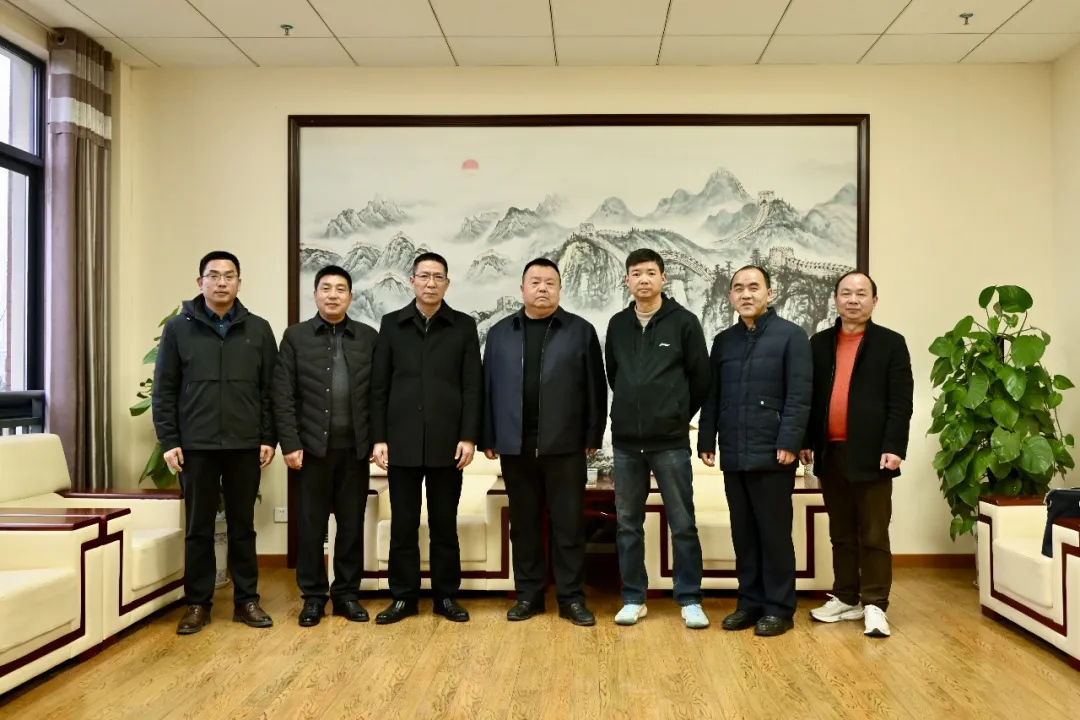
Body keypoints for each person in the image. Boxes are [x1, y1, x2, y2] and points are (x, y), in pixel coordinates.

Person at [153, 251, 277, 634]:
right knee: (199, 528)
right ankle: (197, 604)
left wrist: (268, 436)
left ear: (239, 282)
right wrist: (169, 440)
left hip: (244, 444)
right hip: (196, 445)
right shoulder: (178, 329)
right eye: (214, 275)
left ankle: (246, 601)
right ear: (200, 282)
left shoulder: (258, 329)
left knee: (243, 526)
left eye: (229, 276)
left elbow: (270, 390)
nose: (222, 282)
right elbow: (164, 390)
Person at [482, 258, 607, 627]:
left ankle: (571, 599)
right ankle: (529, 596)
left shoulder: (580, 330)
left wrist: (593, 433)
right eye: (535, 281)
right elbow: (487, 387)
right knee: (524, 526)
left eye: (550, 282)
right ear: (522, 288)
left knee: (568, 525)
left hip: (565, 445)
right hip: (514, 445)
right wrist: (489, 435)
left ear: (559, 289)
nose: (542, 288)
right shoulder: (501, 332)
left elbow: (596, 387)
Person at [698, 265, 812, 637]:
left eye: (753, 287)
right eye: (738, 288)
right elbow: (713, 395)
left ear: (769, 293)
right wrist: (706, 440)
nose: (746, 294)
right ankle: (749, 603)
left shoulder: (791, 336)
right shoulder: (724, 341)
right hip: (734, 451)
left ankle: (778, 609)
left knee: (774, 534)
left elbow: (799, 395)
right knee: (744, 534)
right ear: (731, 296)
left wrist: (789, 442)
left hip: (774, 453)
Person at [370, 252, 483, 625]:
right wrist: (379, 438)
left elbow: (472, 385)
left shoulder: (462, 326)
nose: (431, 283)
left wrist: (469, 437)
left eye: (438, 277)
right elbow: (379, 386)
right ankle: (403, 598)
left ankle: (446, 596)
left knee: (443, 525)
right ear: (412, 281)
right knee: (403, 526)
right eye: (424, 276)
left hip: (447, 444)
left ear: (447, 283)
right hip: (400, 442)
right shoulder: (392, 324)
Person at [800, 271, 913, 638]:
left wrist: (894, 446)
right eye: (846, 293)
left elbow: (901, 402)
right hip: (830, 452)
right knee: (841, 532)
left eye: (861, 294)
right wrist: (806, 440)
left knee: (874, 533)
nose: (853, 300)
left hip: (874, 454)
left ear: (874, 301)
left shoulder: (891, 343)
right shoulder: (819, 344)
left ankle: (875, 604)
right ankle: (846, 597)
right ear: (835, 300)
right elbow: (810, 399)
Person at [604, 249, 711, 629]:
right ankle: (634, 598)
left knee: (682, 523)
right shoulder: (618, 324)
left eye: (651, 272)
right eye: (636, 273)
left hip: (670, 442)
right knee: (627, 525)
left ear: (663, 278)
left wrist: (676, 414)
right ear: (627, 281)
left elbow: (701, 378)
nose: (644, 279)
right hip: (626, 443)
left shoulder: (683, 322)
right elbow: (614, 374)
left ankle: (690, 598)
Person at [272, 265, 378, 627]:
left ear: (351, 296)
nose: (333, 295)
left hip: (355, 450)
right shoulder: (296, 337)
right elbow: (282, 394)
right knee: (311, 527)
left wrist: (378, 441)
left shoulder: (368, 337)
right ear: (315, 294)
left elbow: (378, 394)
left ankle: (346, 595)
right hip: (311, 450)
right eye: (326, 288)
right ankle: (313, 598)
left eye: (340, 289)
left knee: (351, 526)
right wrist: (290, 443)